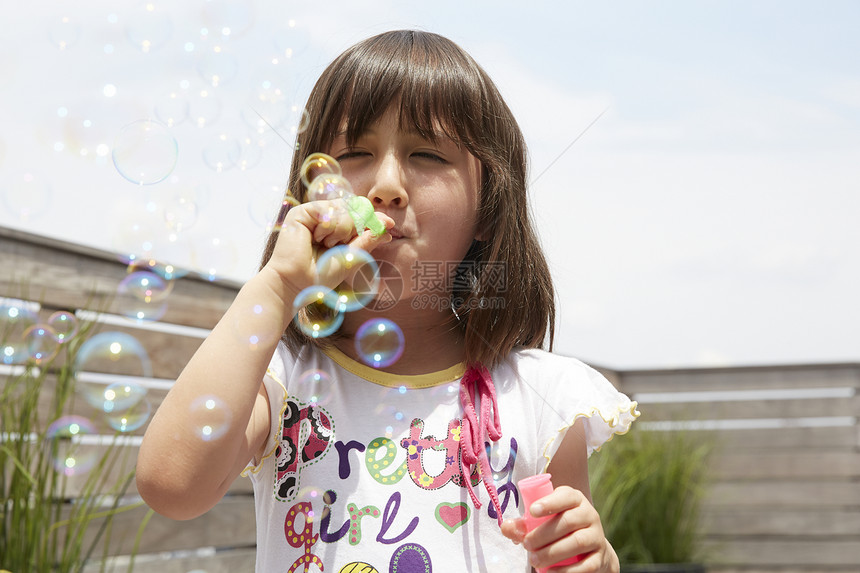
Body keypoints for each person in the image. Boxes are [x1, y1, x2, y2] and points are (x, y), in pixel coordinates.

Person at [137, 29, 639, 573]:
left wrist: (596, 562)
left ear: (490, 214)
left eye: (426, 155)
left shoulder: (542, 398)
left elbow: (564, 554)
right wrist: (280, 287)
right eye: (354, 153)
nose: (387, 185)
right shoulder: (281, 380)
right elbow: (171, 485)